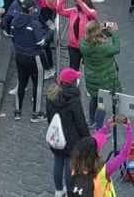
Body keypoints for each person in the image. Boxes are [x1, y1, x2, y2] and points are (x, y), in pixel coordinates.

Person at [44, 68, 90, 197]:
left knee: (58, 161)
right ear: (73, 82)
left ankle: (58, 190)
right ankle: (70, 192)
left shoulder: (51, 95)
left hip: (57, 137)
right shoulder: (74, 99)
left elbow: (49, 117)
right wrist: (87, 139)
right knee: (70, 166)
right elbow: (80, 122)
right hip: (72, 140)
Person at [67, 117, 134, 197]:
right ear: (95, 153)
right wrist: (129, 129)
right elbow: (124, 154)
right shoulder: (104, 170)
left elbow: (93, 142)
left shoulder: (75, 168)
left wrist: (106, 127)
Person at [9, 0, 48, 121]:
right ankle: (36, 114)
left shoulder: (14, 21)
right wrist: (49, 34)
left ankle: (17, 111)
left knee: (21, 82)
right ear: (31, 9)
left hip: (19, 55)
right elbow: (41, 42)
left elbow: (13, 37)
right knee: (38, 84)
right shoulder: (34, 24)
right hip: (34, 57)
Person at [80, 20, 121, 127]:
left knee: (94, 99)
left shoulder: (83, 44)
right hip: (104, 80)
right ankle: (99, 127)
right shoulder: (103, 48)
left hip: (91, 79)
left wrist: (101, 29)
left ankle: (92, 121)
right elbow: (116, 49)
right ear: (97, 32)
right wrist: (114, 33)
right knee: (103, 103)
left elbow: (94, 37)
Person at [57, 0, 98, 70]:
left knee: (90, 68)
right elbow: (59, 11)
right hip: (73, 47)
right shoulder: (74, 11)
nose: (76, 3)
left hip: (87, 46)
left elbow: (89, 13)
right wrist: (63, 0)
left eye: (77, 2)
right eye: (76, 2)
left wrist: (79, 1)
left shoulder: (92, 12)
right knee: (73, 69)